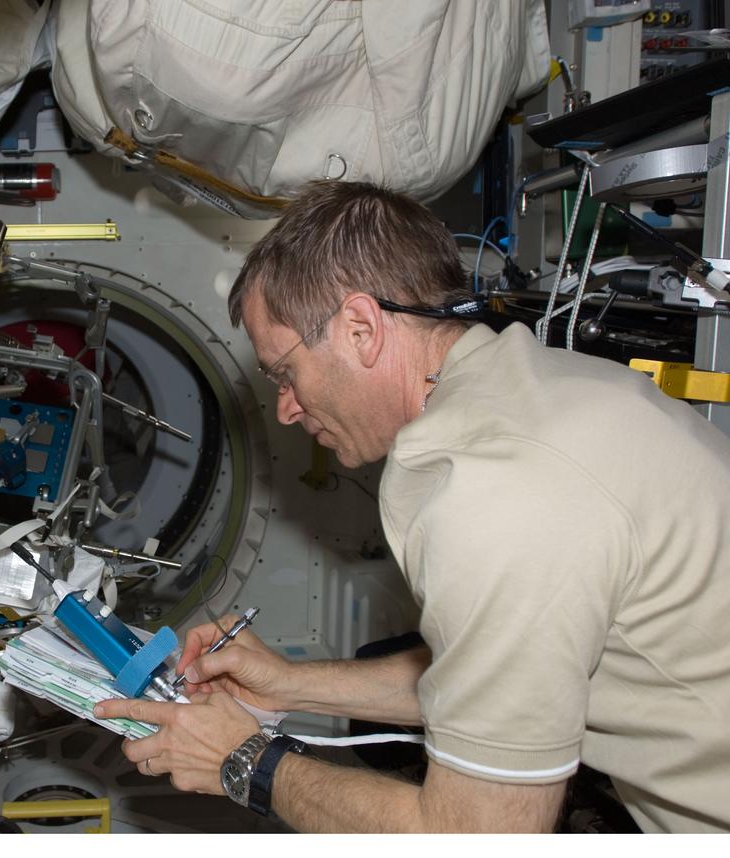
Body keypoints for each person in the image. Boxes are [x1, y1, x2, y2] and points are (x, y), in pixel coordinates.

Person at [95, 180, 730, 833]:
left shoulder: (495, 492)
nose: (285, 406)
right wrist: (291, 683)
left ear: (363, 329)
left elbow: (478, 838)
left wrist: (245, 762)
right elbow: (495, 678)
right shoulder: (540, 390)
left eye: (285, 373)